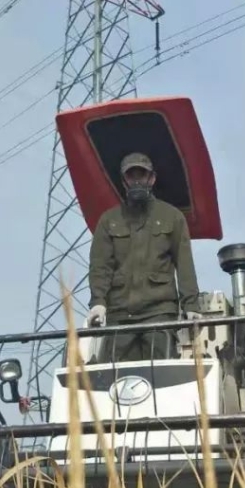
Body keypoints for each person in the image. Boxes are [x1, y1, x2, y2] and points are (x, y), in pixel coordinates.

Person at [87, 151, 202, 363]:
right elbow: (100, 266)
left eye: (142, 174)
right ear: (124, 181)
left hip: (160, 313)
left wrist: (191, 306)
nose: (137, 180)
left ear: (152, 178)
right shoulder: (109, 220)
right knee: (113, 376)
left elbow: (185, 264)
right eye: (131, 176)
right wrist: (98, 302)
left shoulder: (172, 217)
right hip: (120, 315)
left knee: (162, 373)